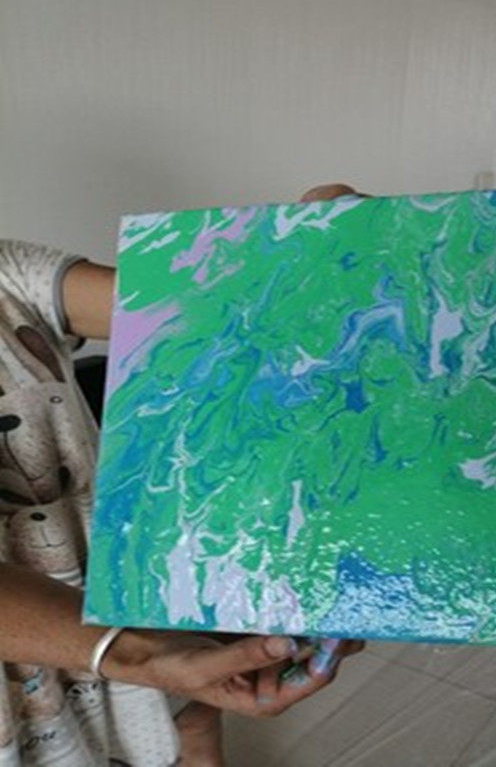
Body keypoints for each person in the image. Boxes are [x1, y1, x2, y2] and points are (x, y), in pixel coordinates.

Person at [0, 184, 365, 766]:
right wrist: (138, 655)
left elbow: (214, 308)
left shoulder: (8, 276)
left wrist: (316, 255)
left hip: (113, 636)